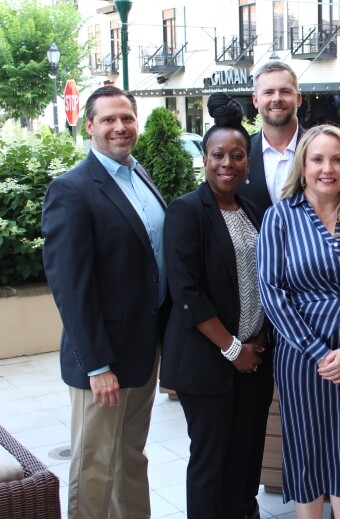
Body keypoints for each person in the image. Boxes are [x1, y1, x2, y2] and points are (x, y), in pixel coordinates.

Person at [41, 85, 168, 519]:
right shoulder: (71, 189)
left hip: (143, 349)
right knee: (94, 466)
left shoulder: (139, 174)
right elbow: (71, 287)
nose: (120, 127)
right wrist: (97, 366)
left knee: (130, 455)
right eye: (109, 119)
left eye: (127, 118)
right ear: (90, 126)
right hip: (103, 360)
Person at [258, 124, 340, 519]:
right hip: (302, 355)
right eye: (317, 159)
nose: (327, 168)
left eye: (337, 160)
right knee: (306, 446)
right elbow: (271, 292)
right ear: (303, 166)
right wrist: (318, 351)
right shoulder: (279, 218)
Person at [160, 93, 273, 519]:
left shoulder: (252, 209)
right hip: (207, 360)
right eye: (218, 155)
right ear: (205, 159)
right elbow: (188, 293)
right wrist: (232, 348)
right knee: (211, 462)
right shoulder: (186, 212)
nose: (228, 163)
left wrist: (257, 340)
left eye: (238, 155)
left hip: (254, 358)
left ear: (248, 162)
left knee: (246, 456)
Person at [238, 61, 303, 210]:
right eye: (268, 92)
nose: (277, 98)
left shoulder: (319, 149)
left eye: (285, 91)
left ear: (298, 99)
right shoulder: (241, 153)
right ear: (255, 100)